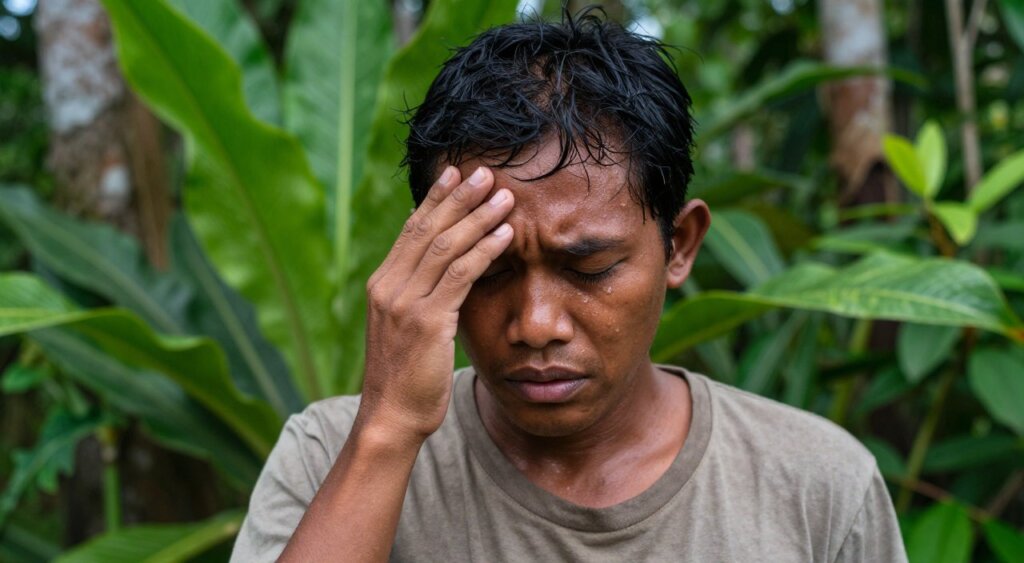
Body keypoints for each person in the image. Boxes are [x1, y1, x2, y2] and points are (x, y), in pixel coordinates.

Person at [232, 9, 906, 562]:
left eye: (588, 268)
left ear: (680, 244)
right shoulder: (330, 455)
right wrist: (386, 432)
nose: (536, 323)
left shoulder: (817, 485)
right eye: (486, 269)